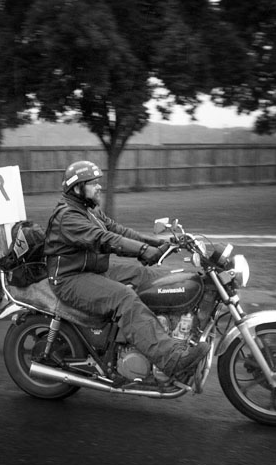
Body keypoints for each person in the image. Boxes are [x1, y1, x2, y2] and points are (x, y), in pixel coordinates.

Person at [44, 160, 209, 378]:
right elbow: (104, 239)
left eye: (98, 182)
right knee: (124, 298)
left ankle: (172, 332)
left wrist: (155, 244)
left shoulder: (88, 210)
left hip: (92, 269)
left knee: (149, 276)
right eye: (92, 183)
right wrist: (142, 251)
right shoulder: (68, 217)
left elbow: (118, 230)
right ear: (77, 188)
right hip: (70, 278)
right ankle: (170, 359)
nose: (99, 186)